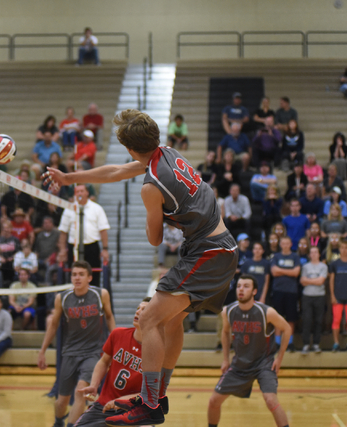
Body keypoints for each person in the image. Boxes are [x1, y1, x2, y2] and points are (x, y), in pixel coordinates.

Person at [43, 109, 238, 425]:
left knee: (147, 319)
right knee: (169, 322)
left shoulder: (151, 186)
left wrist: (151, 209)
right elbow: (117, 171)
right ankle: (156, 397)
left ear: (132, 147)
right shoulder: (167, 153)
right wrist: (70, 178)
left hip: (208, 253)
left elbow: (154, 238)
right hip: (218, 247)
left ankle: (149, 402)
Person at [38, 261, 115, 427]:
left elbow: (109, 317)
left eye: (81, 274)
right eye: (74, 274)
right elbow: (53, 325)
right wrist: (42, 350)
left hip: (93, 352)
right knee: (61, 401)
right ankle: (58, 421)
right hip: (70, 352)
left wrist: (115, 342)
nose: (77, 277)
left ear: (89, 277)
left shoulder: (101, 294)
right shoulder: (62, 298)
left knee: (81, 392)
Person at [207, 275, 291, 427]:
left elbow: (287, 328)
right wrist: (225, 359)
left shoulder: (266, 312)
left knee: (271, 400)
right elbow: (225, 333)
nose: (241, 289)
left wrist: (279, 358)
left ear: (254, 291)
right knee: (213, 401)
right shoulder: (228, 311)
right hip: (240, 365)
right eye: (239, 286)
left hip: (263, 363)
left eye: (246, 286)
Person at [74, 298, 151, 427]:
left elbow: (150, 392)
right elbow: (104, 361)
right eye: (138, 308)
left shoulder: (156, 351)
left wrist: (122, 401)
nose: (138, 312)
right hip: (105, 405)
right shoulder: (118, 334)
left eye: (144, 310)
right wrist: (94, 385)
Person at [58, 184, 110, 288]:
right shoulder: (69, 209)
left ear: (87, 193)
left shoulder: (97, 208)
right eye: (77, 192)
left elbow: (103, 230)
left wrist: (105, 249)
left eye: (82, 191)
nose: (80, 194)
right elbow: (63, 232)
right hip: (74, 247)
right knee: (74, 274)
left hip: (91, 247)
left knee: (93, 276)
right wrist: (62, 250)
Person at [270, 236, 300, 352]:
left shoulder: (295, 257)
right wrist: (289, 272)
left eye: (287, 243)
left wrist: (280, 270)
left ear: (290, 244)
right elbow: (274, 272)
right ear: (280, 244)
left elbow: (296, 273)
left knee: (291, 319)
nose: (285, 245)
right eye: (283, 243)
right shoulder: (276, 256)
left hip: (291, 291)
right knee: (278, 317)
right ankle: (277, 343)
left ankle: (289, 342)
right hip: (278, 291)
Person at [299, 246, 328, 355]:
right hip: (307, 296)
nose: (314, 254)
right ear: (309, 255)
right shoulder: (305, 266)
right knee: (306, 320)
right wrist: (314, 280)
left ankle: (316, 344)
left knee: (318, 320)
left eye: (316, 252)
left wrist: (309, 280)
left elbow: (321, 281)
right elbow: (302, 281)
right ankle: (306, 344)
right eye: (312, 252)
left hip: (319, 296)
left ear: (319, 254)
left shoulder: (323, 266)